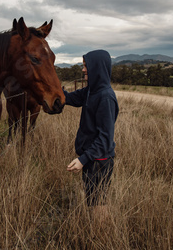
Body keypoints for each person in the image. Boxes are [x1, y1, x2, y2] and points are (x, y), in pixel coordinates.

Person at [64, 49, 119, 218]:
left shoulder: (105, 97)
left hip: (100, 162)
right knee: (93, 202)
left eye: (86, 66)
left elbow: (105, 139)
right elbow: (70, 98)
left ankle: (101, 238)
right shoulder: (90, 91)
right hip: (92, 159)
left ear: (97, 67)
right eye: (83, 65)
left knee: (98, 205)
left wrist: (83, 160)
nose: (83, 70)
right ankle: (97, 233)